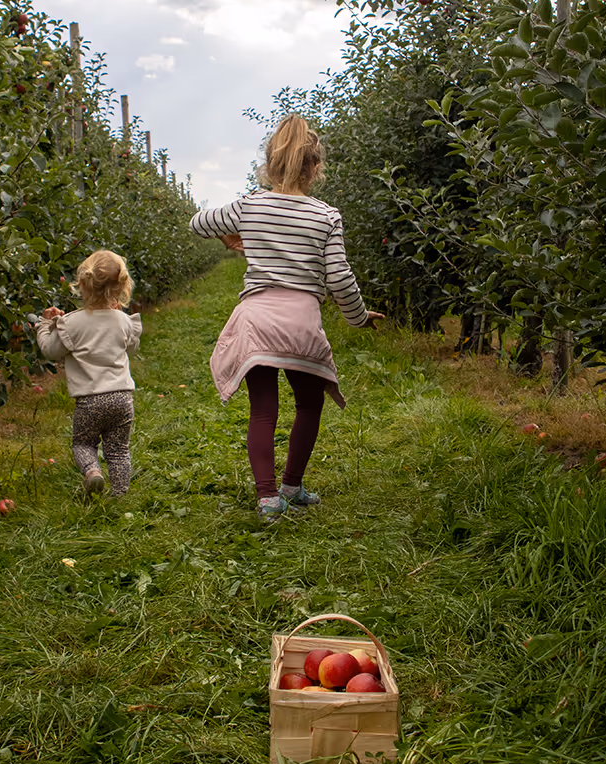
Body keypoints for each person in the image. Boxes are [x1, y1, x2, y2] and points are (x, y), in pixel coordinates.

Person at [190, 114, 383, 520]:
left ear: (270, 166)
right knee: (309, 405)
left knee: (263, 409)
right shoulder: (326, 216)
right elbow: (339, 278)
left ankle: (267, 498)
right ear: (316, 168)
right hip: (302, 324)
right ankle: (292, 486)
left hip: (257, 321)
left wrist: (229, 234)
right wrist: (358, 317)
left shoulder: (251, 204)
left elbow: (198, 223)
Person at [36, 250, 142, 497]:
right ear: (121, 287)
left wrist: (45, 325)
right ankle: (120, 495)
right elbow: (133, 347)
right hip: (122, 399)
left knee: (83, 443)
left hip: (90, 401)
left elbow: (49, 351)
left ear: (82, 284)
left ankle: (93, 472)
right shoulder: (123, 321)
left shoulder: (71, 323)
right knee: (118, 450)